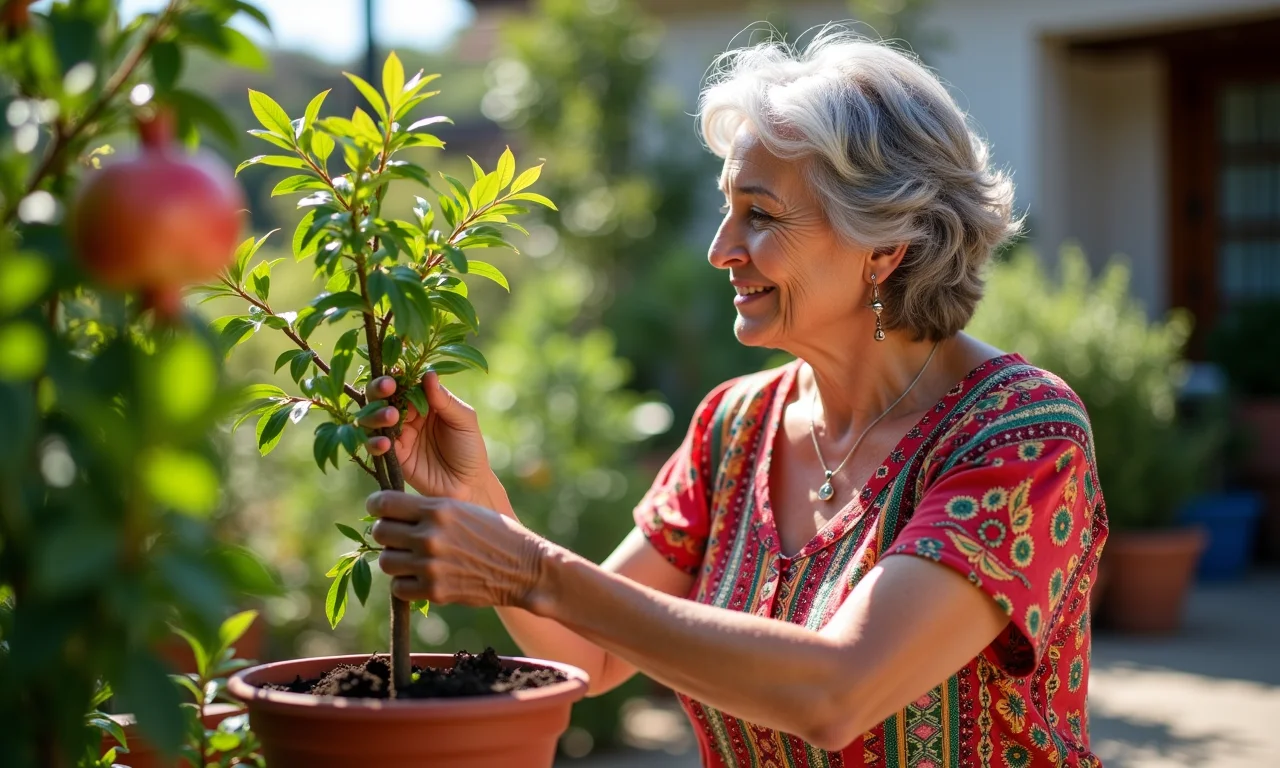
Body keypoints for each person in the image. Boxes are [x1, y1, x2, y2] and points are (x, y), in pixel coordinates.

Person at [358, 29, 1106, 768]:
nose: (720, 248)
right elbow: (592, 655)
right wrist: (480, 501)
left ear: (883, 248)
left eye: (761, 214)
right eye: (728, 207)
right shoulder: (736, 425)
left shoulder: (1019, 434)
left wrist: (533, 569)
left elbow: (837, 693)